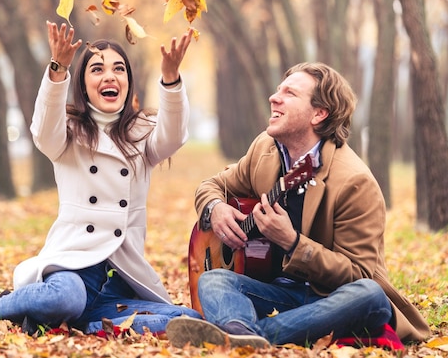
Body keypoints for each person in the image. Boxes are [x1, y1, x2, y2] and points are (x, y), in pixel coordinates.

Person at [0, 21, 201, 335]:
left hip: (120, 279)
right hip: (72, 270)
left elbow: (174, 136)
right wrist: (58, 69)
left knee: (185, 318)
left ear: (128, 81)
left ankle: (81, 324)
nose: (110, 76)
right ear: (83, 84)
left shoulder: (142, 132)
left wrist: (170, 78)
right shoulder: (68, 131)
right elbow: (43, 131)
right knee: (66, 296)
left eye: (118, 69)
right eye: (97, 69)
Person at [166, 62, 430, 348]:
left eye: (289, 93)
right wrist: (214, 208)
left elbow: (357, 274)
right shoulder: (264, 149)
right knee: (214, 281)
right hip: (278, 293)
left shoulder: (354, 181)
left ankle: (242, 335)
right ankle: (247, 336)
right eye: (278, 90)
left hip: (330, 298)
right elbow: (211, 186)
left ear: (319, 114)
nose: (274, 98)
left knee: (369, 294)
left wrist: (292, 243)